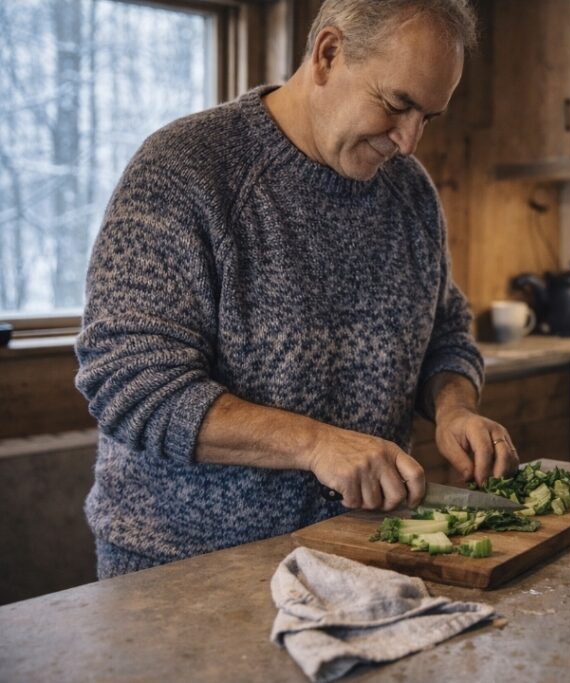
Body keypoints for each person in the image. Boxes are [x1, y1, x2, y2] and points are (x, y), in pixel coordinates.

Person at [74, 0, 518, 579]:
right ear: (328, 54)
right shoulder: (183, 171)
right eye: (397, 104)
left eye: (428, 117)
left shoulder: (409, 193)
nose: (410, 141)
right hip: (184, 570)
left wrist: (453, 408)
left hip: (358, 556)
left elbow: (445, 333)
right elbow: (129, 385)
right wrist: (316, 445)